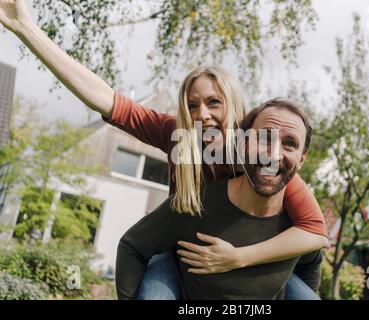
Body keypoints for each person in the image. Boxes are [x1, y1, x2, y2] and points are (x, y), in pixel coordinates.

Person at [0, 0, 327, 299]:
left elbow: (314, 232)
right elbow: (103, 98)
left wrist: (238, 258)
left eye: (214, 102)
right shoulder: (176, 134)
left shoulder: (257, 154)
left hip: (246, 263)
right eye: (192, 105)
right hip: (178, 253)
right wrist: (26, 28)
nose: (203, 114)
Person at [116, 98, 327, 299]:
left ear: (302, 158)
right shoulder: (196, 205)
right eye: (264, 138)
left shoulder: (298, 229)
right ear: (243, 143)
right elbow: (132, 247)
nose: (272, 155)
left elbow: (311, 263)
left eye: (289, 144)